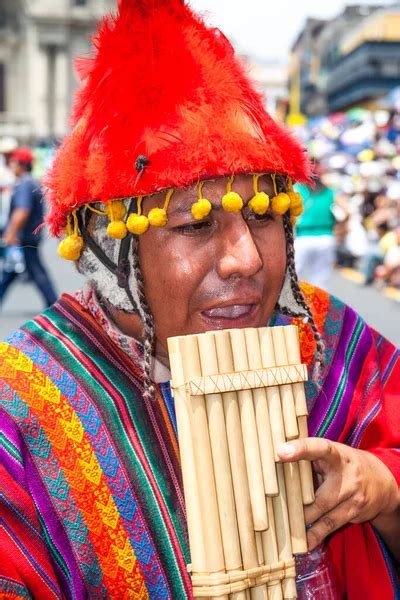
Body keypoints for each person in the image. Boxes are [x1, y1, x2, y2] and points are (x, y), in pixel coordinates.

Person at [0, 2, 399, 599]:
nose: (248, 261)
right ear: (111, 254)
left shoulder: (326, 334)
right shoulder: (19, 406)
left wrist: (385, 489)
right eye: (195, 225)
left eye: (265, 215)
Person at [0, 146, 57, 308]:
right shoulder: (30, 182)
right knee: (13, 271)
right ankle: (52, 303)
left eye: (13, 162)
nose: (11, 165)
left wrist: (11, 234)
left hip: (25, 237)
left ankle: (53, 304)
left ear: (21, 164)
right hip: (29, 236)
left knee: (35, 272)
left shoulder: (24, 184)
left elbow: (22, 211)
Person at [294, 161, 336, 288]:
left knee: (293, 276)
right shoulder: (330, 192)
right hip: (326, 238)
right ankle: (318, 306)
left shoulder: (298, 190)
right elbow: (345, 213)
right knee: (320, 279)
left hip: (304, 238)